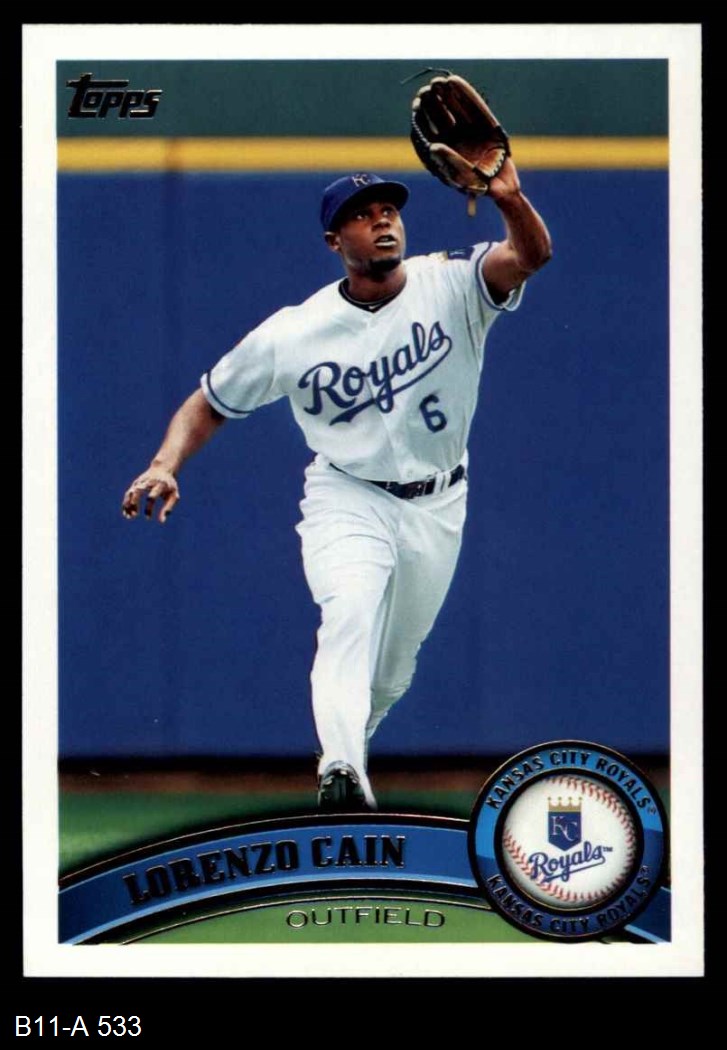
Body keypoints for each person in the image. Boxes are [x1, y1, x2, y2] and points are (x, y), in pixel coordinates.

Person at [122, 161, 552, 812]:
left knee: (392, 671)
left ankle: (349, 752)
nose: (381, 221)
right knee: (348, 612)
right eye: (361, 215)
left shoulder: (451, 282)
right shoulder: (293, 331)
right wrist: (164, 463)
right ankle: (342, 769)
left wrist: (511, 199)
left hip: (439, 503)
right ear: (334, 242)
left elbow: (530, 256)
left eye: (388, 210)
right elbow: (208, 401)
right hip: (348, 495)